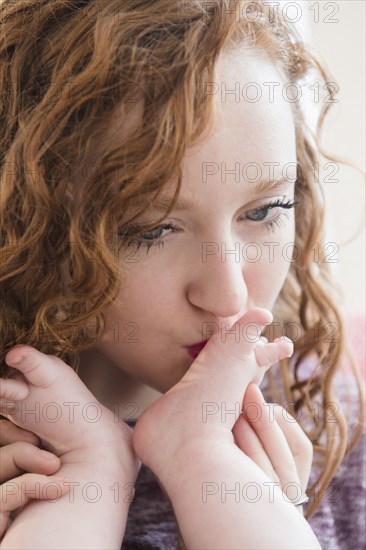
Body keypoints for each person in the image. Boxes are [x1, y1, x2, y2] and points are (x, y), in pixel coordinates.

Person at [0, 1, 364, 549]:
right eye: (150, 230)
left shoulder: (333, 423)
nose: (229, 295)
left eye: (264, 212)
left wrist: (260, 514)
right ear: (24, 219)